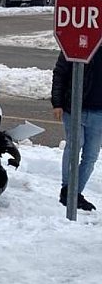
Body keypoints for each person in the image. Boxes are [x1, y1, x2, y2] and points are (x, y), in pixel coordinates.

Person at [51, 51, 102, 211]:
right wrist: (57, 103)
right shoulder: (76, 44)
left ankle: (74, 194)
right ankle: (67, 189)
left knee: (91, 156)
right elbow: (60, 73)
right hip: (73, 108)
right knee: (74, 146)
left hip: (99, 113)